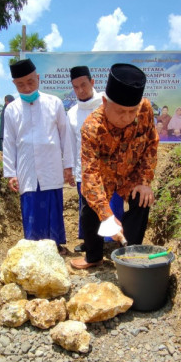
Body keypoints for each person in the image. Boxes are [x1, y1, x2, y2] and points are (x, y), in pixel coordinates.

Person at [70, 63, 159, 269]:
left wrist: (144, 181)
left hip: (132, 176)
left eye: (131, 112)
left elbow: (151, 143)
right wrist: (106, 215)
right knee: (90, 209)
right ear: (104, 102)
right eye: (120, 111)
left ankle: (130, 253)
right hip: (104, 177)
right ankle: (93, 257)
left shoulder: (145, 109)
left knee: (142, 200)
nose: (127, 118)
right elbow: (90, 175)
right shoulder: (92, 127)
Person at [3, 58, 75, 252]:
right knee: (31, 204)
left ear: (38, 78)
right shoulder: (11, 109)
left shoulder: (54, 103)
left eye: (30, 82)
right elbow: (8, 142)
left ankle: (55, 245)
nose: (26, 88)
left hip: (51, 163)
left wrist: (68, 165)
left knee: (52, 203)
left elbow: (65, 135)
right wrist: (11, 172)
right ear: (14, 84)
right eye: (20, 84)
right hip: (26, 166)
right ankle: (33, 247)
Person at [67, 65, 124, 253]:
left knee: (111, 204)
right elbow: (71, 143)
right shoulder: (72, 113)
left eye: (83, 85)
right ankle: (90, 242)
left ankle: (112, 241)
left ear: (92, 82)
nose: (80, 90)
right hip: (84, 170)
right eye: (75, 87)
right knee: (87, 209)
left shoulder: (106, 104)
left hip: (108, 170)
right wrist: (70, 168)